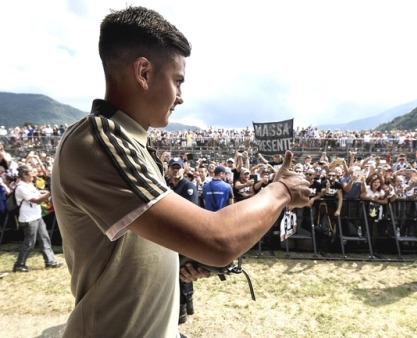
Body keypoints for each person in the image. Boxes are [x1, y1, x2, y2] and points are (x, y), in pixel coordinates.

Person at [51, 6, 310, 338]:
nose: (181, 98)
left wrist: (183, 253)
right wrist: (281, 190)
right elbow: (219, 239)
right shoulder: (101, 141)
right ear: (143, 72)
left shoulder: (130, 141)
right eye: (177, 81)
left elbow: (136, 233)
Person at [165, 157, 199, 325]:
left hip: (184, 236)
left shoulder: (188, 187)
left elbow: (191, 213)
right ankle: (185, 305)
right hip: (170, 236)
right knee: (176, 272)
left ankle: (183, 310)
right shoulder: (168, 185)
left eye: (178, 167)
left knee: (183, 272)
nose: (176, 170)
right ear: (169, 169)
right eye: (173, 167)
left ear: (183, 169)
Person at [12, 165, 63, 272]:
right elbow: (36, 200)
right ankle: (19, 264)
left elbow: (38, 193)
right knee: (30, 242)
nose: (34, 174)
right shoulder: (21, 187)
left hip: (36, 217)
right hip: (28, 219)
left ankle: (50, 262)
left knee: (45, 239)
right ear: (25, 175)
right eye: (31, 172)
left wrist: (47, 192)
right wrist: (51, 191)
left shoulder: (29, 185)